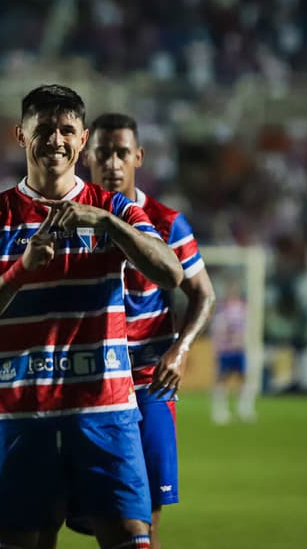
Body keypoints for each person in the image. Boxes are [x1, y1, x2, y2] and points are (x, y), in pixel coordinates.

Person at [0, 84, 184, 549]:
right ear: (21, 135)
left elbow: (171, 271)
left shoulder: (113, 207)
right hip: (19, 413)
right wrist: (21, 270)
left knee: (130, 540)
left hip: (104, 411)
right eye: (44, 129)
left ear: (82, 141)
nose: (55, 140)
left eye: (66, 130)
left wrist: (108, 226)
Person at [82, 112, 215, 548]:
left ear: (138, 156)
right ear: (88, 156)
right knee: (74, 515)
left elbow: (203, 294)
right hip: (88, 385)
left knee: (145, 520)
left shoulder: (166, 222)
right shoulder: (72, 216)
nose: (113, 163)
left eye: (122, 153)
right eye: (104, 153)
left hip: (146, 383)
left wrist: (180, 350)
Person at [210, 280, 255, 424]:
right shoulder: (222, 309)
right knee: (222, 380)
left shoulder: (243, 308)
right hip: (225, 349)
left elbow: (247, 328)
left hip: (239, 349)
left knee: (243, 378)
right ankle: (219, 410)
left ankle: (244, 408)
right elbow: (218, 329)